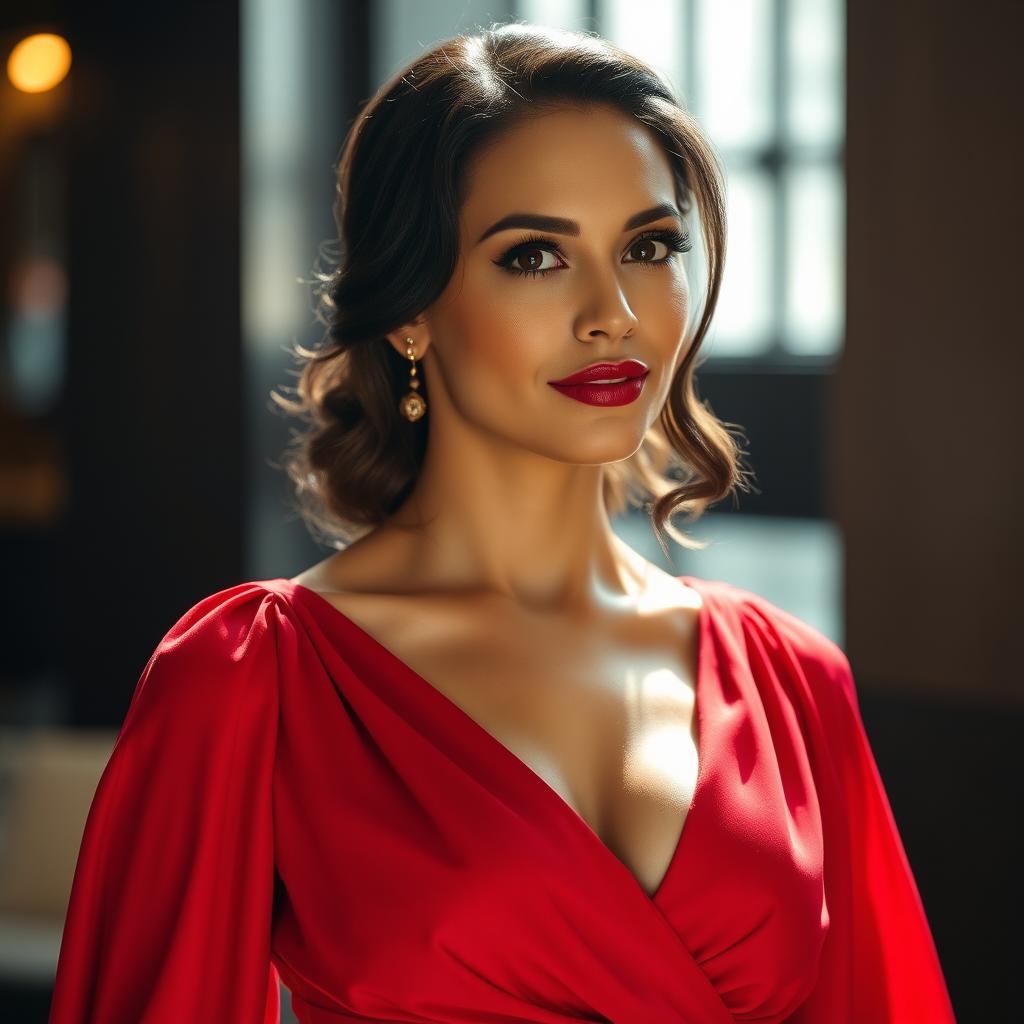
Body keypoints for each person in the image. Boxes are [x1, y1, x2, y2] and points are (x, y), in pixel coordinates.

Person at [48, 21, 956, 1024]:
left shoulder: (789, 683)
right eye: (534, 256)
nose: (613, 311)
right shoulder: (252, 677)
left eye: (648, 247)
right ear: (410, 310)